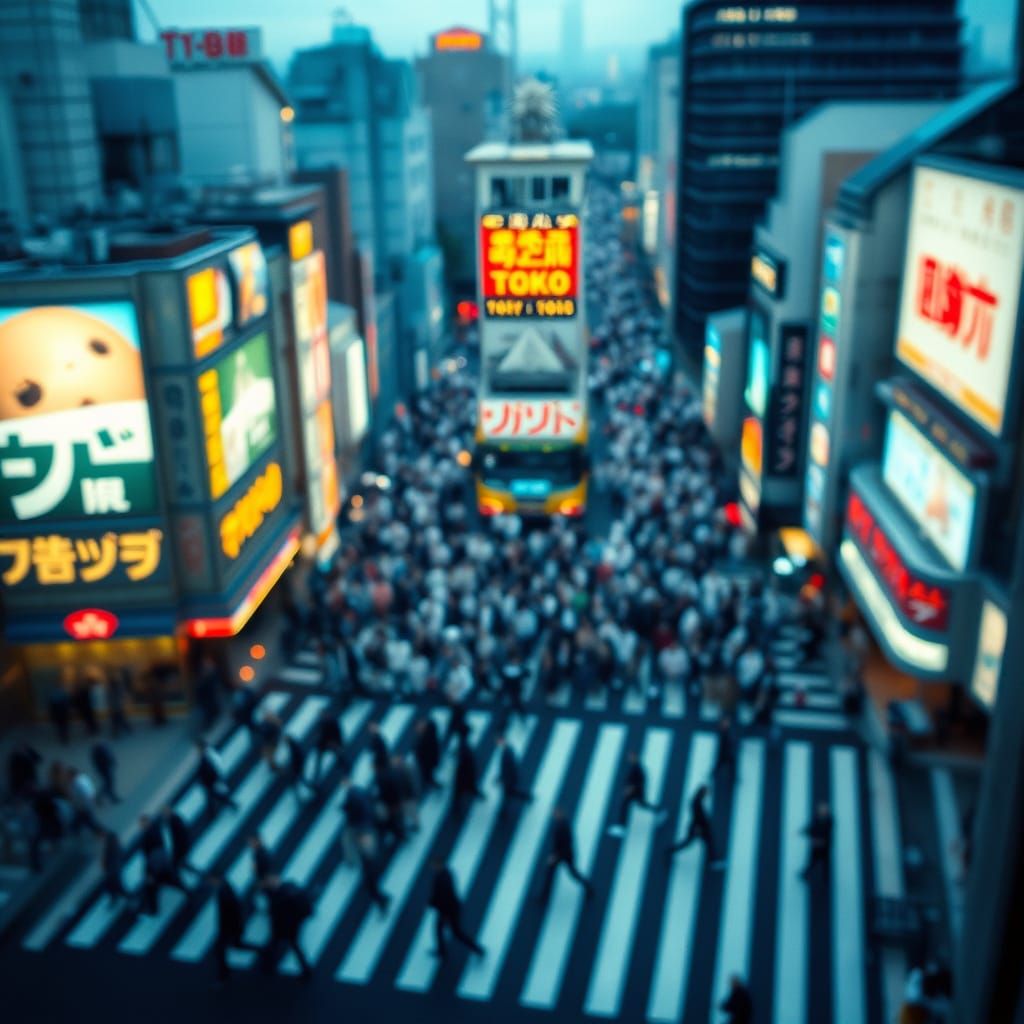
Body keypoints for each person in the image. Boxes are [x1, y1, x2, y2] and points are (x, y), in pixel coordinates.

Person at [428, 859, 484, 958]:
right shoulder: (446, 874)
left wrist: (434, 903)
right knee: (445, 931)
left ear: (438, 865)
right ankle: (442, 951)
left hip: (447, 910)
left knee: (455, 933)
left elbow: (443, 895)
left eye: (434, 865)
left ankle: (477, 949)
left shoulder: (442, 878)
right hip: (450, 908)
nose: (432, 867)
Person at [260, 877, 314, 979]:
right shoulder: (290, 887)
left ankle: (267, 965)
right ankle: (306, 970)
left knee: (277, 943)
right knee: (293, 945)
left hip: (287, 925)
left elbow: (277, 915)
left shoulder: (278, 898)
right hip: (295, 922)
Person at [210, 873, 258, 985]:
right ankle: (262, 951)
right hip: (233, 927)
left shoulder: (224, 893)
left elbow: (229, 913)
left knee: (220, 950)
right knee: (236, 945)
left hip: (229, 928)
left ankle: (224, 973)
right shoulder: (226, 888)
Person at [539, 807, 594, 901]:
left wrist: (554, 856)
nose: (553, 815)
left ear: (560, 814)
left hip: (564, 854)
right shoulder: (563, 824)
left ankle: (544, 897)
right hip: (565, 853)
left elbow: (563, 843)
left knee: (567, 873)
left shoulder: (562, 826)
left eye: (555, 813)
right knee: (554, 873)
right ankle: (544, 896)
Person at [608, 750, 666, 837]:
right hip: (636, 792)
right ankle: (660, 811)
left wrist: (631, 789)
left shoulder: (637, 768)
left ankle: (622, 827)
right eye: (629, 757)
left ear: (636, 757)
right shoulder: (635, 766)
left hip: (635, 792)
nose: (629, 758)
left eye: (631, 757)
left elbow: (640, 781)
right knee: (640, 804)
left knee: (625, 806)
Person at [665, 784, 723, 865]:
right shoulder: (696, 803)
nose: (707, 794)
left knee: (709, 842)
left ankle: (712, 858)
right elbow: (697, 817)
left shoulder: (697, 801)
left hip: (700, 827)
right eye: (706, 793)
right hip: (698, 828)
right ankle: (670, 850)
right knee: (689, 843)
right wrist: (698, 828)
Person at [196, 739, 238, 813]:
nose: (197, 751)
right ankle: (214, 810)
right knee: (212, 796)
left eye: (198, 748)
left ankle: (230, 805)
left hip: (211, 781)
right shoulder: (206, 755)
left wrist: (216, 779)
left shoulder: (209, 755)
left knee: (215, 795)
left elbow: (214, 768)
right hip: (209, 781)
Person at [496, 733, 532, 815]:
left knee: (507, 795)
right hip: (509, 778)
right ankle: (527, 797)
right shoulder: (508, 750)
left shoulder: (507, 752)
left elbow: (509, 767)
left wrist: (502, 778)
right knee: (511, 793)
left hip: (508, 779)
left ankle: (503, 812)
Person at [311, 709, 349, 785]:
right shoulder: (322, 722)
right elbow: (320, 734)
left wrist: (339, 743)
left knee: (338, 756)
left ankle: (345, 768)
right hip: (325, 744)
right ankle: (316, 778)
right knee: (320, 760)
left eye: (322, 715)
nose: (321, 717)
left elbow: (338, 733)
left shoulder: (332, 722)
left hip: (331, 743)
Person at [163, 805, 200, 884]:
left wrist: (177, 850)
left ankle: (189, 877)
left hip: (182, 846)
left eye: (165, 812)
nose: (165, 814)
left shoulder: (174, 820)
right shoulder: (173, 819)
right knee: (182, 863)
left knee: (180, 863)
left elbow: (178, 836)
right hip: (181, 846)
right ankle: (191, 875)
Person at [800, 802, 834, 881]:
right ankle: (806, 874)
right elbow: (813, 829)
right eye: (821, 810)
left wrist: (819, 840)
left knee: (825, 864)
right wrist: (805, 832)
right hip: (816, 846)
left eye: (824, 810)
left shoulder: (829, 821)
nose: (822, 811)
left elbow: (825, 833)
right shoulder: (817, 819)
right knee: (813, 862)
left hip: (824, 846)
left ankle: (826, 879)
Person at [452, 734, 483, 816]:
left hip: (463, 775)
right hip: (467, 774)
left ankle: (456, 810)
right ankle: (457, 809)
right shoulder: (466, 747)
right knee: (468, 787)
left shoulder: (463, 748)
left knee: (458, 793)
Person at [280, 734, 315, 801]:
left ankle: (305, 794)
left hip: (297, 768)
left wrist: (289, 765)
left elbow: (295, 758)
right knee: (300, 781)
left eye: (285, 740)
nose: (284, 742)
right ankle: (311, 790)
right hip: (297, 767)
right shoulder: (293, 746)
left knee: (297, 782)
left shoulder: (293, 747)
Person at [413, 716, 442, 791]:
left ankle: (429, 784)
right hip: (426, 761)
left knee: (427, 775)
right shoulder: (426, 736)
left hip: (427, 761)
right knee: (427, 775)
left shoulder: (427, 736)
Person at [99, 829, 127, 904]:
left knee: (111, 883)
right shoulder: (113, 842)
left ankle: (117, 897)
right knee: (115, 884)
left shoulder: (109, 845)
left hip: (113, 868)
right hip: (115, 866)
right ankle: (120, 896)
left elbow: (106, 859)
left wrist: (104, 864)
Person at [714, 717, 738, 785]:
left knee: (730, 765)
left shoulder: (727, 732)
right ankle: (716, 774)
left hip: (727, 753)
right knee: (720, 764)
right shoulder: (723, 733)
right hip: (724, 753)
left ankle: (732, 777)